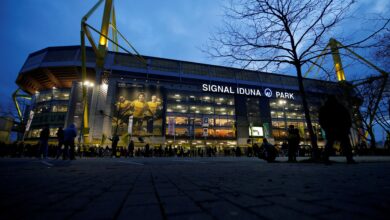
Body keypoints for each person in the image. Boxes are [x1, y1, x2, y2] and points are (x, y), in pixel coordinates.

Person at [319, 95, 355, 164]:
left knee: (330, 144)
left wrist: (325, 128)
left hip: (331, 129)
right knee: (346, 144)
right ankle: (349, 159)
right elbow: (347, 118)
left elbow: (321, 120)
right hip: (341, 128)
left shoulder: (324, 108)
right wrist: (347, 127)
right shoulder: (340, 107)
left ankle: (325, 159)